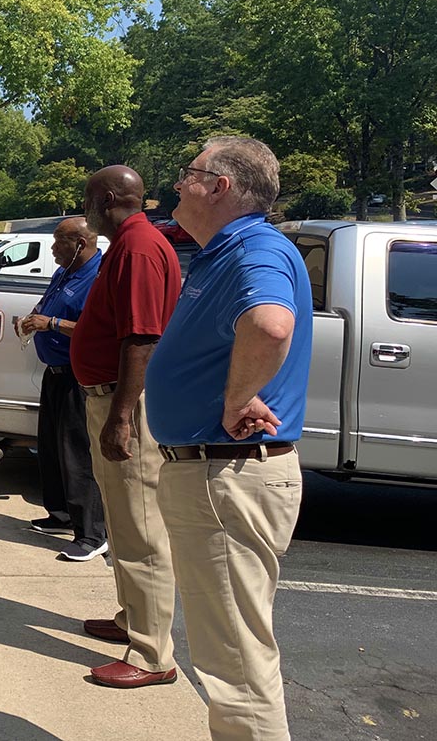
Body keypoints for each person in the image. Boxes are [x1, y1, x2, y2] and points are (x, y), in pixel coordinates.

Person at [146, 137, 311, 740]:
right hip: (219, 473)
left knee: (234, 665)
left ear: (218, 186)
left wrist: (237, 398)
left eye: (188, 173)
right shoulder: (227, 252)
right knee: (234, 656)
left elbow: (270, 325)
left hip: (224, 475)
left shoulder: (252, 250)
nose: (176, 185)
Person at [70, 165, 181, 689]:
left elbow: (141, 337)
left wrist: (120, 417)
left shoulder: (137, 248)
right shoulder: (130, 244)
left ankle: (152, 654)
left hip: (124, 404)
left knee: (140, 529)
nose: (85, 207)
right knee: (122, 519)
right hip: (112, 399)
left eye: (89, 198)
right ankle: (132, 619)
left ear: (109, 198)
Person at [16, 217, 107, 562]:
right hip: (54, 373)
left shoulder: (98, 277)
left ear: (79, 244)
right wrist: (32, 319)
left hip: (78, 375)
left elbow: (96, 328)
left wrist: (51, 323)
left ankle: (91, 533)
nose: (52, 249)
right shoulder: (63, 273)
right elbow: (46, 308)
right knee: (51, 448)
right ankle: (61, 514)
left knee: (78, 454)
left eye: (58, 242)